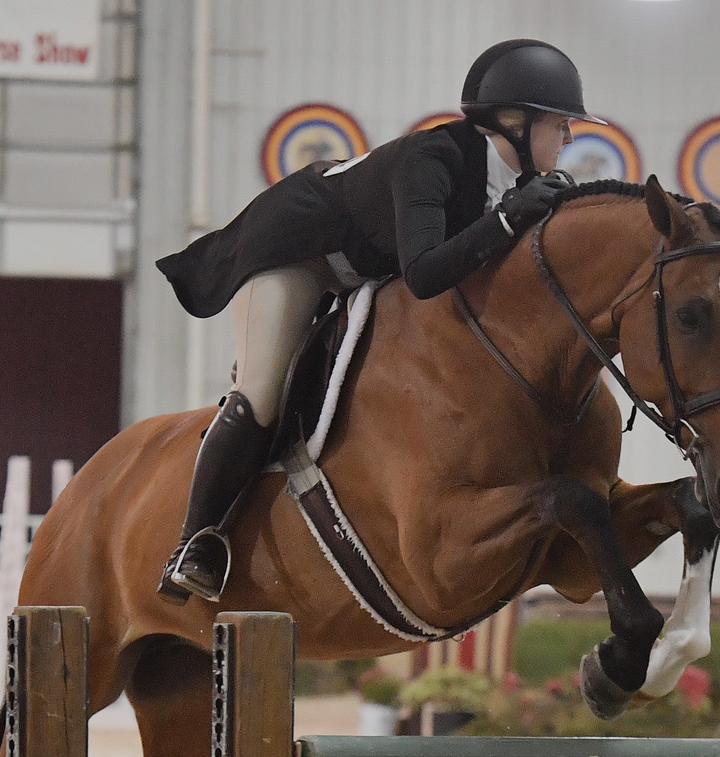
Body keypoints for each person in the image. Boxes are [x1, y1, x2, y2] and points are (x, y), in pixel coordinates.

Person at [153, 39, 599, 603]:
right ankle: (197, 542)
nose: (570, 137)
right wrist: (509, 221)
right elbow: (426, 275)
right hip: (299, 254)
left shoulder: (513, 184)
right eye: (561, 124)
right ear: (518, 122)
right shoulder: (432, 160)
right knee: (263, 393)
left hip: (365, 270)